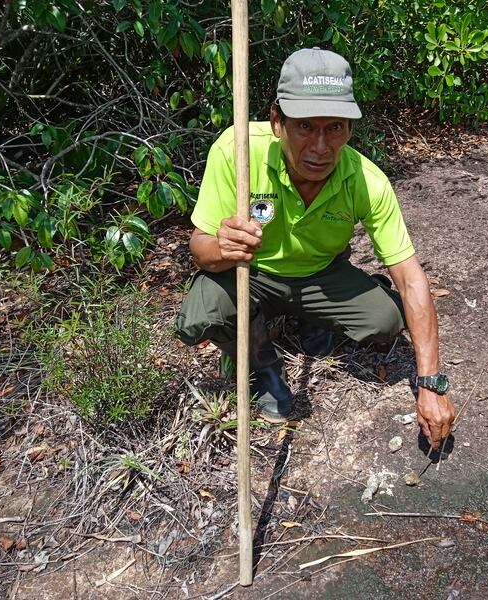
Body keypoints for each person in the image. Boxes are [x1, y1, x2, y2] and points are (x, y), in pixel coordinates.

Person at [175, 48, 456, 449]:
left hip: (320, 274)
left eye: (335, 127)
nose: (320, 147)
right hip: (251, 273)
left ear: (350, 129)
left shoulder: (366, 180)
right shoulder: (236, 151)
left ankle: (312, 318)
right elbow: (199, 251)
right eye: (304, 126)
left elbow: (411, 279)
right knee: (202, 314)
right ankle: (261, 366)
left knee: (386, 321)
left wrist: (431, 383)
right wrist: (223, 246)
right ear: (277, 120)